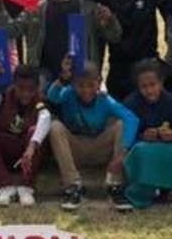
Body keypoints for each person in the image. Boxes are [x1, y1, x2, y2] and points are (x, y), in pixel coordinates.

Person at [1, 0, 121, 83]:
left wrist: (110, 21)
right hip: (45, 77)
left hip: (80, 78)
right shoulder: (36, 10)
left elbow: (114, 36)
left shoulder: (88, 8)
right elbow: (10, 31)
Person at [47, 56, 138, 211]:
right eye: (80, 85)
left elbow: (132, 119)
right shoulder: (68, 94)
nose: (86, 90)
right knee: (55, 126)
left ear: (99, 82)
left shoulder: (105, 100)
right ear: (73, 84)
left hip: (99, 148)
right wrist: (63, 78)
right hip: (75, 149)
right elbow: (52, 96)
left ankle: (115, 185)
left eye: (91, 85)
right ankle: (73, 186)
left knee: (121, 125)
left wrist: (122, 154)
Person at [0, 65, 51, 207]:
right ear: (14, 85)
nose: (25, 94)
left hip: (27, 151)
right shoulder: (3, 95)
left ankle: (26, 186)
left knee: (36, 132)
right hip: (6, 145)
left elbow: (45, 118)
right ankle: (5, 185)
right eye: (21, 88)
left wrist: (31, 147)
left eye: (30, 89)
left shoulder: (39, 101)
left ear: (37, 88)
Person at [122, 61, 172, 210]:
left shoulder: (170, 100)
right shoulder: (131, 103)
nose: (149, 90)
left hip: (168, 147)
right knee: (142, 150)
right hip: (143, 147)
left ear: (161, 83)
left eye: (153, 85)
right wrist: (143, 136)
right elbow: (125, 138)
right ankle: (143, 191)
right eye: (144, 87)